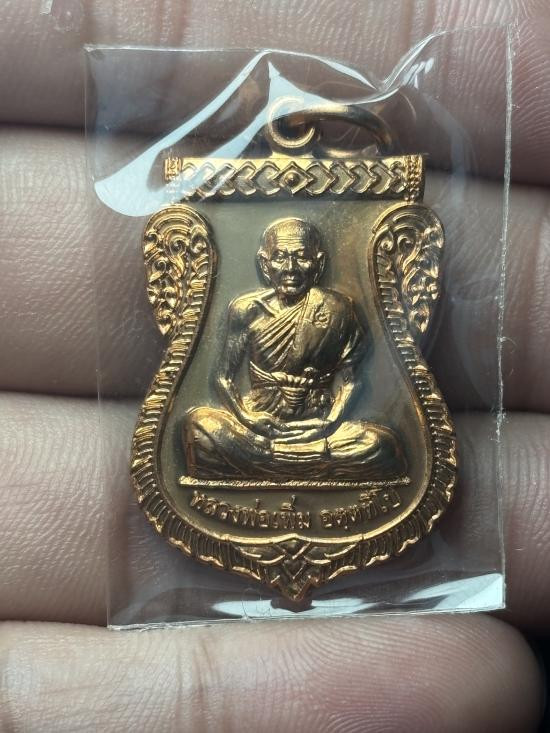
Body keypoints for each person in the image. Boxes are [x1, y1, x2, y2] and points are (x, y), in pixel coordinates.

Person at [182, 217, 406, 481]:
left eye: (302, 257)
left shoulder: (340, 309)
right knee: (200, 427)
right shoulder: (246, 310)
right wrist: (247, 418)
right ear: (265, 264)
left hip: (317, 426)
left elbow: (351, 381)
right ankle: (305, 463)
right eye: (280, 258)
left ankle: (267, 462)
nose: (291, 269)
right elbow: (222, 377)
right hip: (258, 428)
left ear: (318, 263)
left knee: (381, 444)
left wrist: (330, 422)